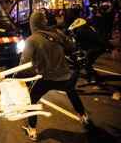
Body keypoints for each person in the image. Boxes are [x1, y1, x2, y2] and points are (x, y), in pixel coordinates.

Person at [17, 11, 93, 141]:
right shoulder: (57, 33)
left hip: (44, 77)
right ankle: (84, 117)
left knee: (31, 100)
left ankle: (32, 130)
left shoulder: (32, 40)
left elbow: (24, 64)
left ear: (32, 24)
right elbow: (71, 46)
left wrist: (21, 77)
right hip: (64, 75)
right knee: (72, 92)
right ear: (44, 22)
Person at [69, 18, 107, 83]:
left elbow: (79, 42)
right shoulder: (87, 28)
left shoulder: (80, 31)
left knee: (87, 64)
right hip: (98, 47)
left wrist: (74, 37)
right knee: (87, 63)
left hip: (95, 48)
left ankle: (94, 79)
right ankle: (93, 77)